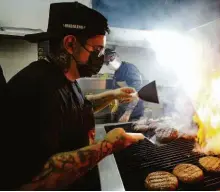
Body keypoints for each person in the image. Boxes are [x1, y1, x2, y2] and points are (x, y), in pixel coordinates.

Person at [2, 2, 141, 190]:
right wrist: (108, 146)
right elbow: (35, 177)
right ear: (70, 44)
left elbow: (76, 109)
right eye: (97, 49)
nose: (100, 57)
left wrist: (112, 95)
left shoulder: (63, 77)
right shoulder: (35, 88)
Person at [103, 48, 144, 122]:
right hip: (122, 110)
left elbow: (137, 92)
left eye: (111, 59)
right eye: (106, 62)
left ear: (117, 57)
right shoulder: (117, 72)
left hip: (133, 113)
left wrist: (127, 113)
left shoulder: (129, 69)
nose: (109, 62)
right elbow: (116, 92)